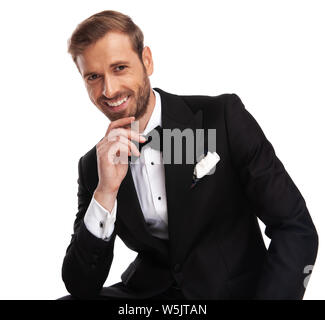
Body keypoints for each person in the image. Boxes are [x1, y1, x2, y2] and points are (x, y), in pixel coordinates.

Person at [59, 10, 318, 300]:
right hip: (149, 296)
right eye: (93, 76)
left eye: (119, 68)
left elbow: (294, 228)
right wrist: (106, 191)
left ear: (147, 60)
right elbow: (81, 285)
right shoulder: (93, 166)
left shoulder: (222, 119)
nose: (108, 89)